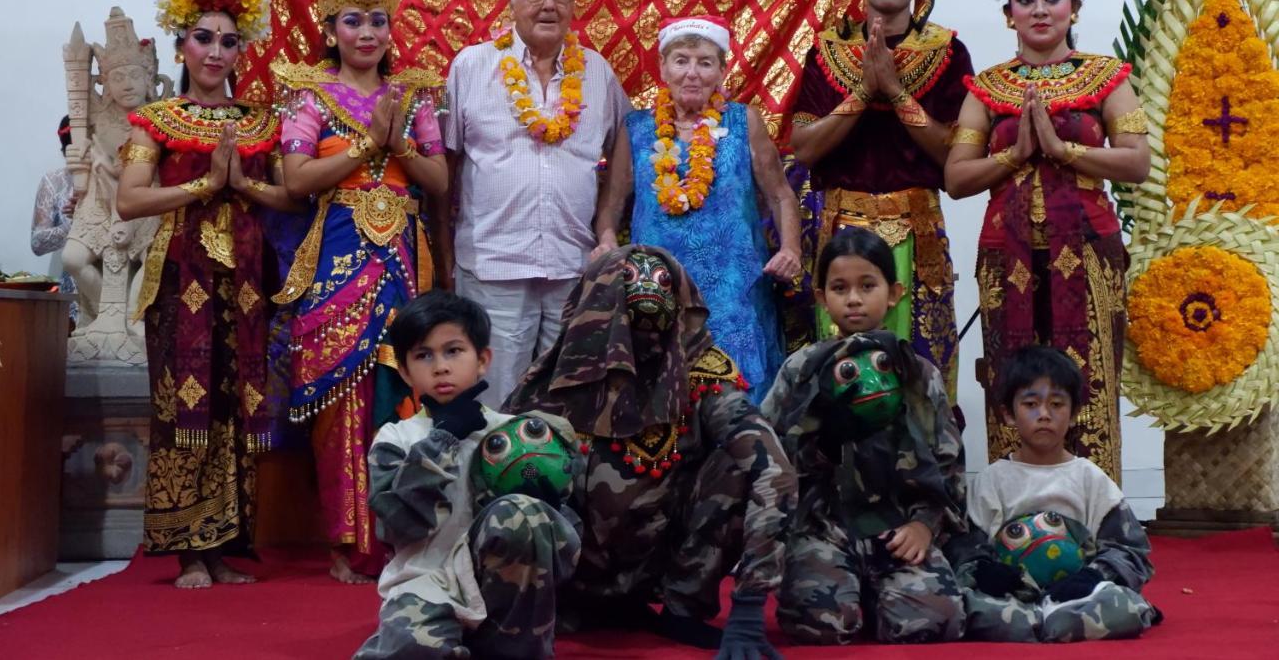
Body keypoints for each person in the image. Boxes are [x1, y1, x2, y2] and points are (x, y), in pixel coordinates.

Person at [944, 0, 1151, 482]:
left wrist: (1063, 152)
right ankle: (1013, 506)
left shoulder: (1107, 76)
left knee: (1087, 374)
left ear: (1073, 8)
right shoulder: (987, 88)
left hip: (1087, 246)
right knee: (1010, 374)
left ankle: (1096, 505)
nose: (1039, 8)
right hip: (1005, 250)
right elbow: (956, 178)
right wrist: (1012, 158)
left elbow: (1136, 161)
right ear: (1008, 13)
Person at [116, 0, 295, 589]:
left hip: (245, 278)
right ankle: (186, 547)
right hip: (180, 275)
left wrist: (242, 180)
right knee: (183, 408)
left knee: (238, 404)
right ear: (181, 43)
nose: (216, 51)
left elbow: (287, 197)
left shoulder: (259, 122)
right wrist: (202, 188)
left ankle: (223, 546)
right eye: (202, 38)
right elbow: (131, 199)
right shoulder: (155, 121)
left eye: (227, 40)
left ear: (240, 48)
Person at [504, 245, 795, 659]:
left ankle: (684, 607)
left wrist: (749, 603)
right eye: (626, 326)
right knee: (518, 471)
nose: (639, 348)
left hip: (662, 569)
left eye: (653, 331)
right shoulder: (558, 377)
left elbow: (773, 469)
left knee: (740, 462)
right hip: (567, 584)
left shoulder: (702, 370)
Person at [273, 0, 449, 583]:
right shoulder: (307, 94)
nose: (367, 32)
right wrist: (365, 148)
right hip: (338, 254)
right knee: (339, 395)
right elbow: (296, 179)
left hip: (401, 256)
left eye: (377, 20)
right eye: (353, 20)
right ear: (329, 27)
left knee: (402, 386)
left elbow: (438, 180)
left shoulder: (414, 92)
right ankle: (347, 542)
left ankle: (403, 532)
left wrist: (396, 138)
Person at [789, 0, 973, 398]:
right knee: (841, 374)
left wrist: (893, 91)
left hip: (916, 225)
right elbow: (804, 147)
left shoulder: (948, 52)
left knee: (917, 369)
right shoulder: (827, 50)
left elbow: (956, 158)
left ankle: (919, 468)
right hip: (841, 226)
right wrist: (862, 92)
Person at [762, 227, 967, 644]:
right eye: (839, 287)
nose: (853, 299)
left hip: (898, 526)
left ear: (894, 293)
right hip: (823, 526)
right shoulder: (801, 369)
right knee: (819, 624)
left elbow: (948, 466)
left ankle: (882, 594)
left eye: (867, 285)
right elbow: (768, 452)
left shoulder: (918, 374)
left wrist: (925, 527)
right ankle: (849, 590)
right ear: (821, 297)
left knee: (935, 622)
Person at [443, 0, 632, 405]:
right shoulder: (471, 66)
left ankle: (561, 479)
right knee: (494, 403)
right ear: (512, 4)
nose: (549, 5)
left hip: (572, 266)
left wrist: (605, 228)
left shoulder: (597, 72)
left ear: (572, 7)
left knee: (566, 402)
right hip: (492, 265)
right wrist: (443, 251)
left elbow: (626, 151)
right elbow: (445, 167)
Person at [356, 290, 581, 660]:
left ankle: (514, 646)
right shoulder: (396, 438)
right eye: (423, 355)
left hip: (502, 590)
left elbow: (568, 554)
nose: (440, 366)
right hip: (425, 582)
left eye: (454, 351)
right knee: (411, 649)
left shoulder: (519, 435)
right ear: (404, 370)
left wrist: (549, 510)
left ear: (483, 360)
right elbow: (398, 528)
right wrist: (443, 438)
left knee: (521, 512)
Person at [594, 15, 801, 402]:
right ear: (663, 67)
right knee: (662, 395)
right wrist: (606, 241)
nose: (692, 73)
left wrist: (791, 249)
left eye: (705, 62)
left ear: (723, 70)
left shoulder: (744, 122)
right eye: (681, 60)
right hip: (657, 287)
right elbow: (611, 203)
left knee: (738, 399)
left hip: (733, 288)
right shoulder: (636, 128)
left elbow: (780, 194)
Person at [950, 345, 1160, 642]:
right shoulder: (992, 480)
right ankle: (1054, 625)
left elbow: (1129, 551)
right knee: (966, 608)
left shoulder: (1091, 479)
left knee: (1120, 606)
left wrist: (1094, 576)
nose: (1044, 415)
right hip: (1012, 596)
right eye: (1031, 404)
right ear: (1009, 414)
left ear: (1074, 414)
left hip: (1079, 592)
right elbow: (966, 548)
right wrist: (987, 572)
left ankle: (1044, 624)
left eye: (1057, 404)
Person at [30, 115, 79, 324]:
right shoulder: (54, 182)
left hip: (117, 283)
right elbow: (37, 243)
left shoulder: (115, 177)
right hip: (73, 286)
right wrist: (76, 225)